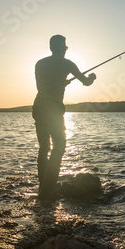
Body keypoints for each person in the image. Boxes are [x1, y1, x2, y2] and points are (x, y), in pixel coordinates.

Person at [32, 34, 96, 197]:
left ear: (51, 48)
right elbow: (86, 82)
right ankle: (48, 188)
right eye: (65, 47)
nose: (66, 50)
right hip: (53, 107)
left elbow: (43, 85)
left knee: (44, 147)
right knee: (59, 146)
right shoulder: (68, 64)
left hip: (39, 106)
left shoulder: (39, 64)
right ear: (62, 48)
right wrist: (92, 77)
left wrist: (62, 81)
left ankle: (42, 186)